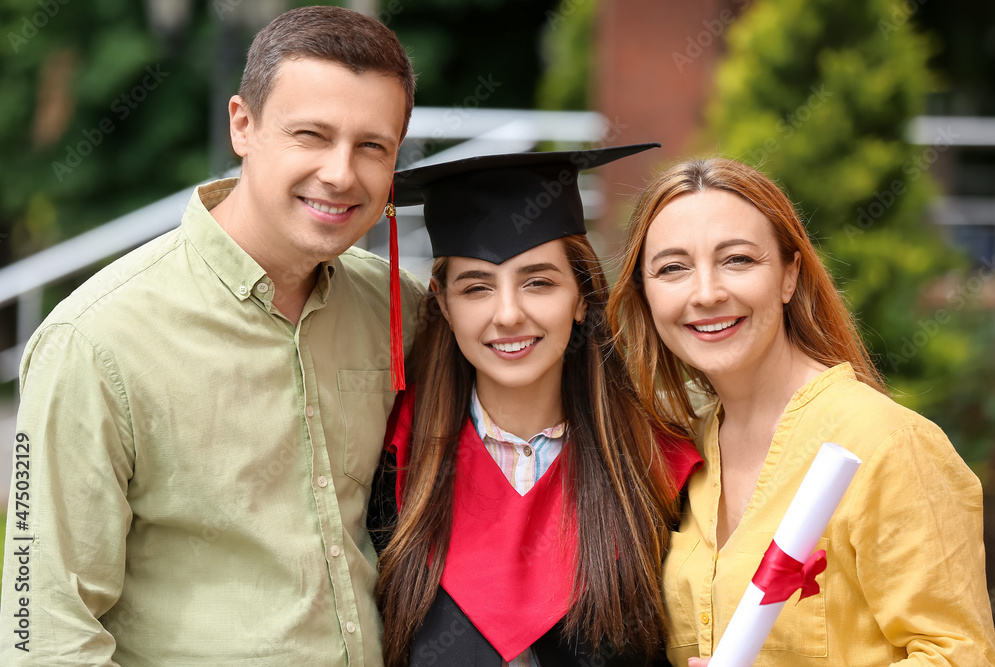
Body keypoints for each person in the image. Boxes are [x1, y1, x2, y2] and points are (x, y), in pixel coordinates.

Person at [0, 6, 424, 665]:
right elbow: (45, 635)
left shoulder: (399, 308)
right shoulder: (94, 341)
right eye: (311, 135)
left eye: (373, 146)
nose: (342, 173)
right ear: (242, 125)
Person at [607, 157, 995, 666]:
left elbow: (961, 657)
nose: (706, 293)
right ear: (645, 293)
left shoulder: (885, 444)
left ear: (790, 275)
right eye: (673, 269)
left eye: (738, 260)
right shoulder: (682, 452)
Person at [371, 145, 704, 666]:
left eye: (538, 282)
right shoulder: (395, 469)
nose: (508, 314)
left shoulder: (658, 469)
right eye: (476, 287)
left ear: (581, 296)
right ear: (443, 303)